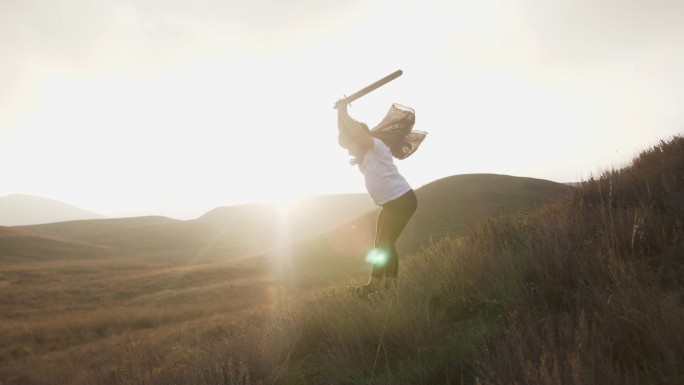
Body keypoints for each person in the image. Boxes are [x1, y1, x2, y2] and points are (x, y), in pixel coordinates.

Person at [336, 101, 426, 297]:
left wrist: (344, 113)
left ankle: (374, 286)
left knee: (384, 242)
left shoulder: (376, 146)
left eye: (351, 146)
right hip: (390, 205)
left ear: (359, 140)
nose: (349, 150)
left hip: (402, 201)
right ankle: (390, 285)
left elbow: (357, 134)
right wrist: (339, 115)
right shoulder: (363, 159)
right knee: (383, 242)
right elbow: (347, 137)